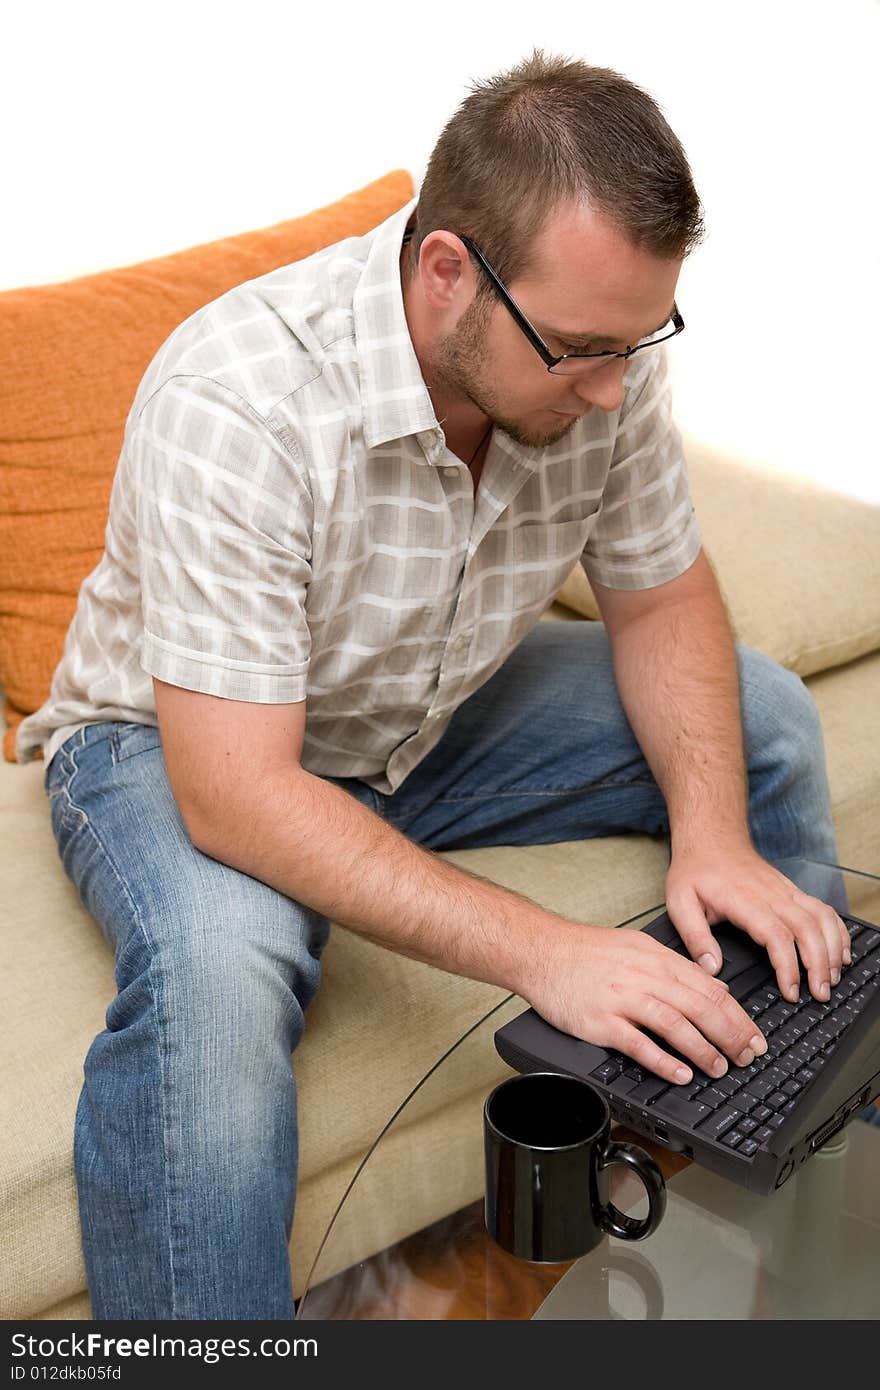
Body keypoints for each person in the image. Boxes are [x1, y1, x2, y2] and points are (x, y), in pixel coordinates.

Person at [15, 50, 851, 1320]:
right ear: (446, 271)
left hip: (424, 718)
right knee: (221, 984)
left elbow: (662, 595)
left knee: (769, 715)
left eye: (637, 343)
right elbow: (239, 796)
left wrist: (714, 837)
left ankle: (784, 1098)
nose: (616, 387)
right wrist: (551, 953)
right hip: (178, 745)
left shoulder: (597, 357)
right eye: (580, 350)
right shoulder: (238, 398)